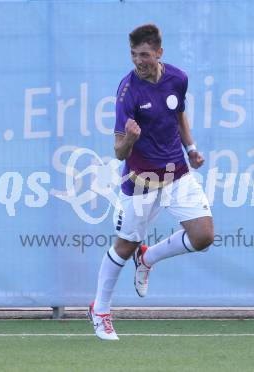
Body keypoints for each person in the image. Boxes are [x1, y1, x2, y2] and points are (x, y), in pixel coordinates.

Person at [88, 24, 214, 340]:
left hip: (176, 173)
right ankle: (100, 309)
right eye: (133, 55)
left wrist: (192, 148)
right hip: (140, 180)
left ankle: (148, 258)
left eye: (144, 55)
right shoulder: (127, 92)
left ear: (159, 52)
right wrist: (129, 138)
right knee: (123, 246)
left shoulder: (178, 79)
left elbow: (179, 115)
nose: (138, 61)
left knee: (203, 236)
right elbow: (118, 152)